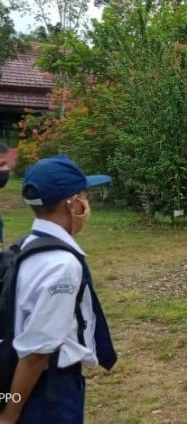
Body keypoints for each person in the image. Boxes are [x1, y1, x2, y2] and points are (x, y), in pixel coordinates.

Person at [0, 155, 117, 424]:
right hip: (47, 392)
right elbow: (38, 353)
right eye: (85, 196)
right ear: (73, 202)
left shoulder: (27, 246)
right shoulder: (61, 265)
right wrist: (9, 414)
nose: (87, 204)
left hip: (19, 380)